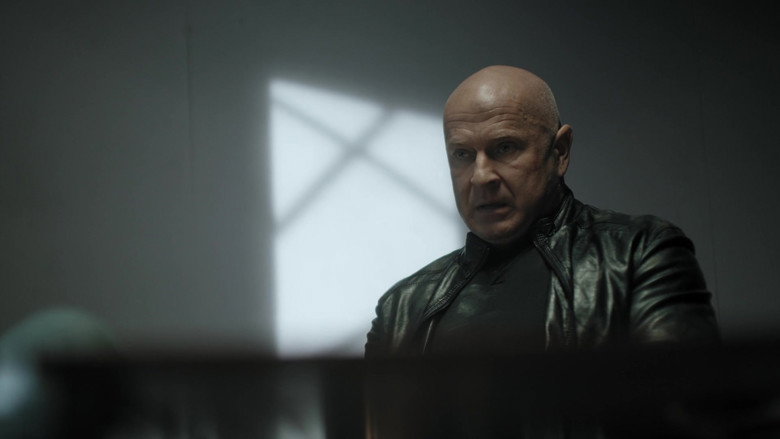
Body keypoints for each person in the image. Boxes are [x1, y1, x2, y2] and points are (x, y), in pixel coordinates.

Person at [365, 65, 719, 358]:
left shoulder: (638, 254)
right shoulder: (401, 307)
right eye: (462, 154)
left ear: (560, 152)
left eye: (505, 147)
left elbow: (688, 406)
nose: (481, 176)